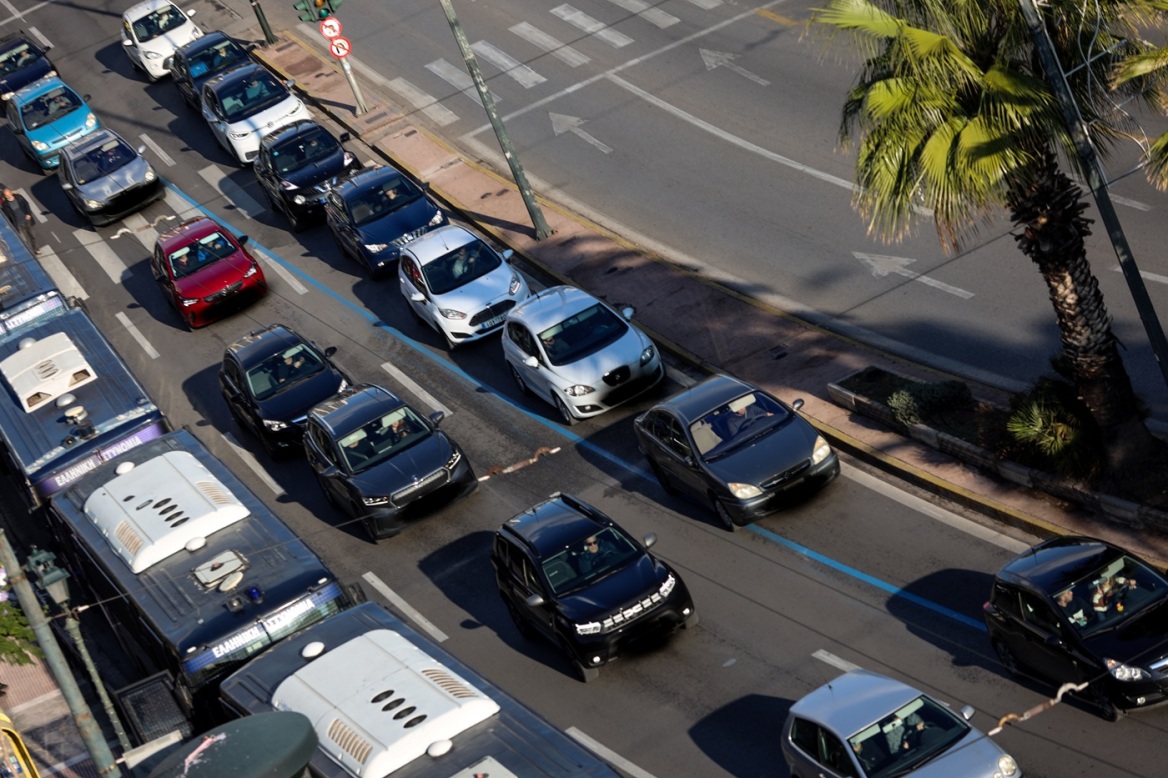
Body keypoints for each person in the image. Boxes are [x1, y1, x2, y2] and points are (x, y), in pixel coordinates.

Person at [1, 187, 38, 254]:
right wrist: (9, 225)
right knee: (23, 240)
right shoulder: (5, 205)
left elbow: (26, 205)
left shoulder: (19, 198)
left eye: (8, 194)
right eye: (5, 195)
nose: (7, 196)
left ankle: (36, 248)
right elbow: (7, 216)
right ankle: (29, 252)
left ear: (11, 193)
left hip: (26, 220)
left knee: (32, 235)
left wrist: (28, 214)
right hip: (17, 224)